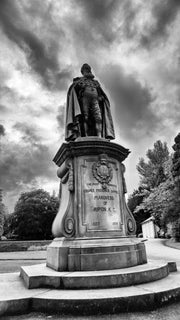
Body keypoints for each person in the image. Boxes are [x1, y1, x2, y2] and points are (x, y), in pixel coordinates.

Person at [65, 63, 115, 141]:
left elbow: (100, 93)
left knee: (98, 118)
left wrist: (101, 98)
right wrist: (77, 85)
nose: (88, 70)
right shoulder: (79, 80)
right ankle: (86, 136)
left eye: (89, 69)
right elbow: (74, 91)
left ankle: (99, 136)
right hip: (84, 100)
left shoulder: (95, 82)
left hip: (95, 100)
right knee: (85, 117)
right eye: (86, 69)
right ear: (83, 72)